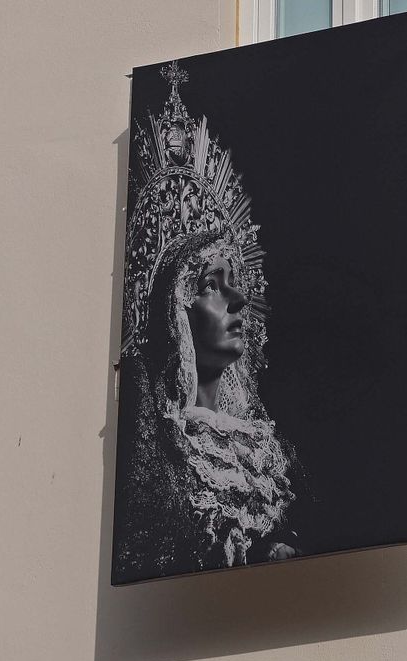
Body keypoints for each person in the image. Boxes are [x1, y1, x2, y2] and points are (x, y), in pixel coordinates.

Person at [114, 227, 297, 580]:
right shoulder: (157, 437)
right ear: (176, 311)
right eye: (211, 285)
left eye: (233, 282)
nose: (238, 298)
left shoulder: (261, 452)